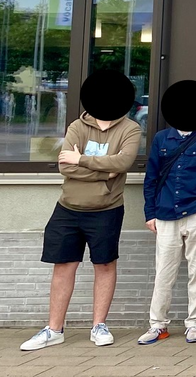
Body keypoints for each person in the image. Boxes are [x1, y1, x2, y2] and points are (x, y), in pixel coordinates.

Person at [21, 71, 142, 352]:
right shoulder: (78, 125)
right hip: (67, 208)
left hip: (107, 210)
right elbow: (66, 166)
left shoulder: (130, 129)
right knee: (63, 266)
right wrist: (104, 172)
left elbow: (123, 162)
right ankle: (54, 329)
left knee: (104, 264)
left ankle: (99, 325)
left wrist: (82, 160)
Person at [138, 80, 196, 346]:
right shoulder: (162, 138)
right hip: (164, 214)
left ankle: (194, 323)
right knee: (164, 270)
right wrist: (150, 212)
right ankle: (157, 324)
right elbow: (151, 177)